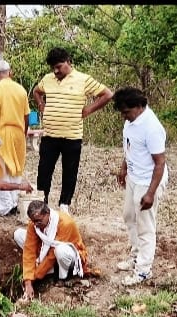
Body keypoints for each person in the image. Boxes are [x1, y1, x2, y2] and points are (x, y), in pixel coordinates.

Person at [32, 47, 113, 214]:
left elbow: (107, 94)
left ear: (69, 62)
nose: (56, 71)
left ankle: (64, 204)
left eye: (59, 66)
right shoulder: (47, 79)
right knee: (44, 170)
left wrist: (89, 109)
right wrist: (41, 105)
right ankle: (42, 202)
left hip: (72, 136)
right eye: (53, 68)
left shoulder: (83, 79)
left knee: (70, 171)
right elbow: (36, 91)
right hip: (50, 135)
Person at [112, 87, 168, 286]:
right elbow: (130, 146)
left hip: (148, 181)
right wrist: (123, 168)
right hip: (134, 178)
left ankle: (144, 270)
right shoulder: (131, 121)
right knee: (129, 216)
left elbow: (160, 163)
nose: (124, 117)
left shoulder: (151, 127)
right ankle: (135, 256)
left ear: (138, 106)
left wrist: (150, 193)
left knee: (145, 226)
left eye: (126, 112)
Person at [13, 200, 89, 300]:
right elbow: (29, 250)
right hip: (47, 252)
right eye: (33, 221)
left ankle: (65, 277)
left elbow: (52, 256)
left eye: (38, 221)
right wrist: (27, 281)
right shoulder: (34, 223)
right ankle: (44, 268)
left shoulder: (65, 223)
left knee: (59, 250)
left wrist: (35, 276)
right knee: (18, 234)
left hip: (68, 258)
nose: (36, 224)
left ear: (47, 214)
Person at [0, 60, 31, 216]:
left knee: (1, 171)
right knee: (16, 170)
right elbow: (27, 116)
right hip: (19, 134)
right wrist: (23, 134)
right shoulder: (21, 90)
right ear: (10, 73)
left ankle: (5, 208)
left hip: (2, 134)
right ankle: (14, 204)